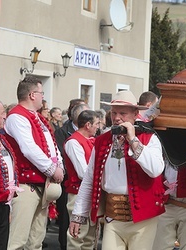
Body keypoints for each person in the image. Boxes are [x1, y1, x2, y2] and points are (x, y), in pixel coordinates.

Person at [68, 91, 166, 249]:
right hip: (113, 219)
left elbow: (155, 170)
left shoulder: (149, 139)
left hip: (143, 221)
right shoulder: (102, 141)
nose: (117, 117)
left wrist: (133, 140)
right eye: (114, 112)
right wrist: (78, 215)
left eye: (122, 113)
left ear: (135, 114)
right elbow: (89, 179)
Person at [5, 76, 65, 250]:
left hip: (41, 184)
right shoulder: (17, 117)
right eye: (41, 93)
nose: (43, 97)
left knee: (36, 241)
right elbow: (29, 149)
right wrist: (53, 169)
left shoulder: (37, 118)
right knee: (18, 241)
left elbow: (52, 148)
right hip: (26, 186)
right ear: (32, 95)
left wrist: (59, 165)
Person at [54, 101, 88, 250]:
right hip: (70, 183)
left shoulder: (92, 134)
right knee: (67, 222)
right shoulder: (63, 133)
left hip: (85, 186)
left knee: (86, 230)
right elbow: (62, 157)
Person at [64, 110, 99, 249]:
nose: (98, 127)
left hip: (91, 192)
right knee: (77, 236)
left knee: (90, 238)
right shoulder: (74, 142)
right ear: (88, 125)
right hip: (78, 193)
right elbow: (82, 173)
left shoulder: (90, 141)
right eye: (96, 123)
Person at [0, 97, 20, 250]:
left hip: (2, 204)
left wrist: (8, 204)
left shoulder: (1, 138)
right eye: (2, 113)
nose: (5, 116)